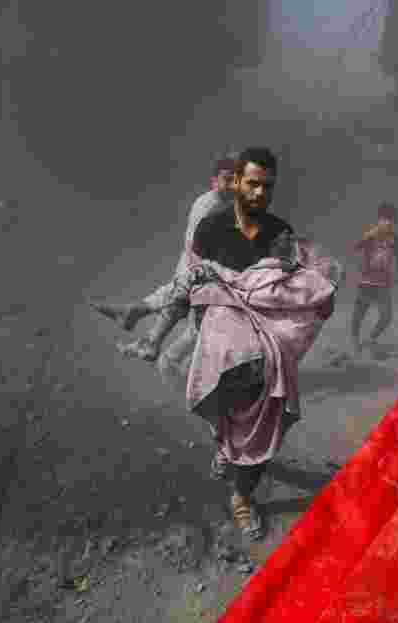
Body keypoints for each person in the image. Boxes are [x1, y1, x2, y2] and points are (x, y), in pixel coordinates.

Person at [118, 147, 302, 540]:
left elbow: (291, 285)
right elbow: (190, 279)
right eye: (252, 183)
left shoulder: (280, 232)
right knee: (226, 405)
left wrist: (313, 287)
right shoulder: (210, 227)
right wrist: (153, 317)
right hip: (218, 334)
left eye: (267, 186)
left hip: (264, 338)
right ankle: (227, 447)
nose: (259, 193)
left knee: (272, 412)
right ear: (237, 183)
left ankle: (241, 496)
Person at [91, 157, 236, 381]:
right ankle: (163, 350)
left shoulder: (226, 204)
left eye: (235, 180)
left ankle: (143, 326)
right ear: (214, 181)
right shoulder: (208, 205)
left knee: (196, 316)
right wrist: (198, 272)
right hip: (198, 264)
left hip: (206, 266)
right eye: (227, 179)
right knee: (193, 311)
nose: (232, 184)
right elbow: (194, 243)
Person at [350, 202, 398, 357]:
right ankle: (354, 341)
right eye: (384, 219)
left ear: (394, 222)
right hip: (366, 282)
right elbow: (355, 248)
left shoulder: (396, 239)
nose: (387, 222)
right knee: (359, 314)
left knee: (386, 316)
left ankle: (371, 339)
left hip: (383, 284)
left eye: (390, 220)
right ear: (379, 219)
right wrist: (367, 239)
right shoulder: (371, 235)